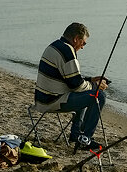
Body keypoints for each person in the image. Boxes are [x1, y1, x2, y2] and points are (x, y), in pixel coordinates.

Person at [34, 22, 109, 152]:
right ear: (76, 39)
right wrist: (95, 85)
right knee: (99, 96)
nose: (83, 47)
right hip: (52, 101)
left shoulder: (55, 46)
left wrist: (90, 80)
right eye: (83, 43)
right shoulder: (67, 51)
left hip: (42, 98)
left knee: (87, 93)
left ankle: (76, 135)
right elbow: (76, 86)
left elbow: (68, 79)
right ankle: (85, 139)